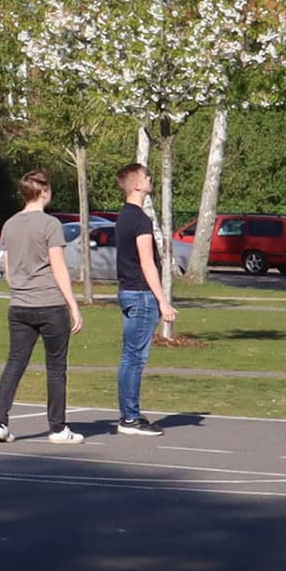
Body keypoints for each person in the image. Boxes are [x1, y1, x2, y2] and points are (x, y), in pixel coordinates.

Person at [0, 168, 87, 445]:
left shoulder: (9, 224)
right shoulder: (50, 224)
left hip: (19, 305)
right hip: (49, 304)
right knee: (56, 368)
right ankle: (57, 428)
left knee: (14, 363)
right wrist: (73, 306)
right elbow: (59, 268)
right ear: (44, 191)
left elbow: (9, 272)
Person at [112, 160, 170, 433]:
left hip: (127, 291)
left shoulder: (123, 216)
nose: (150, 180)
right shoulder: (140, 220)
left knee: (129, 356)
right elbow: (147, 263)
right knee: (135, 358)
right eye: (147, 177)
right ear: (136, 184)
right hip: (141, 294)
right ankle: (130, 418)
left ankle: (129, 413)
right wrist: (162, 300)